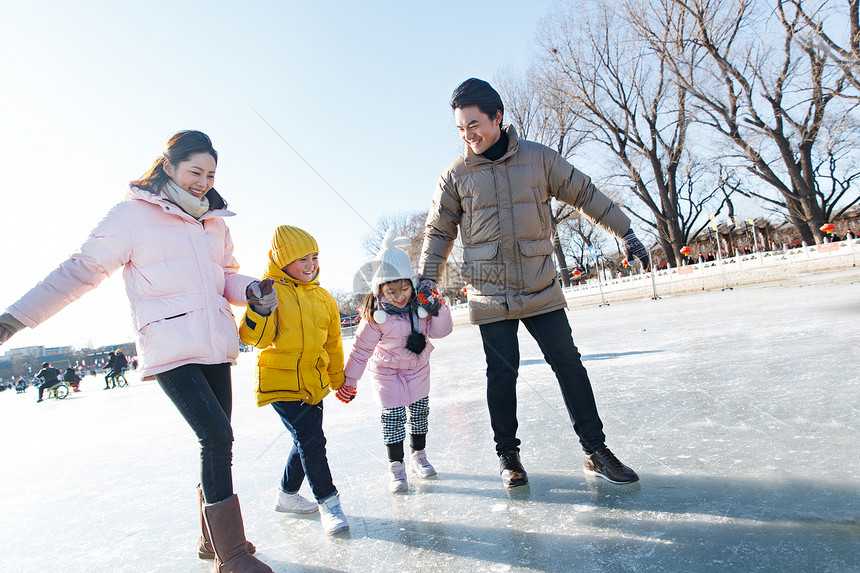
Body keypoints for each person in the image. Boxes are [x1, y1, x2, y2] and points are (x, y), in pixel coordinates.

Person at [0, 130, 272, 572]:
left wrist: (252, 290)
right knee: (216, 437)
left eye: (210, 174)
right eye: (194, 172)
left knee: (219, 444)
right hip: (169, 346)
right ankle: (233, 554)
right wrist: (14, 318)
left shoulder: (216, 223)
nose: (203, 182)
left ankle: (210, 540)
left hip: (215, 345)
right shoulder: (130, 216)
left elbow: (226, 276)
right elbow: (81, 270)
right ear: (168, 167)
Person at [418, 78, 647, 489]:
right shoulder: (456, 175)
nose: (468, 135)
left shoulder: (538, 159)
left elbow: (584, 192)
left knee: (570, 366)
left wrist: (625, 231)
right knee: (501, 377)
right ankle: (508, 457)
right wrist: (425, 281)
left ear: (497, 118)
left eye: (474, 124)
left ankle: (595, 450)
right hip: (490, 294)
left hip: (540, 288)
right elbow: (438, 232)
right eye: (460, 129)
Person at [238, 225, 349, 536]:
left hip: (313, 381)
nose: (311, 264)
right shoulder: (272, 293)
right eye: (302, 258)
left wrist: (336, 376)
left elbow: (333, 342)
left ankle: (287, 496)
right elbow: (255, 339)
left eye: (314, 256)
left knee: (306, 440)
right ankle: (329, 503)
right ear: (281, 261)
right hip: (281, 382)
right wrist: (259, 310)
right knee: (312, 440)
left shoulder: (323, 297)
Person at [340, 230, 453, 493]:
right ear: (379, 290)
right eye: (391, 291)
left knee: (420, 414)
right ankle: (396, 466)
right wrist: (350, 379)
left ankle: (419, 455)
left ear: (412, 285)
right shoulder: (376, 316)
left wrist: (439, 309)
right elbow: (360, 350)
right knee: (392, 419)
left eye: (404, 289)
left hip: (417, 369)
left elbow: (440, 331)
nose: (399, 296)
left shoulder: (420, 307)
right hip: (387, 373)